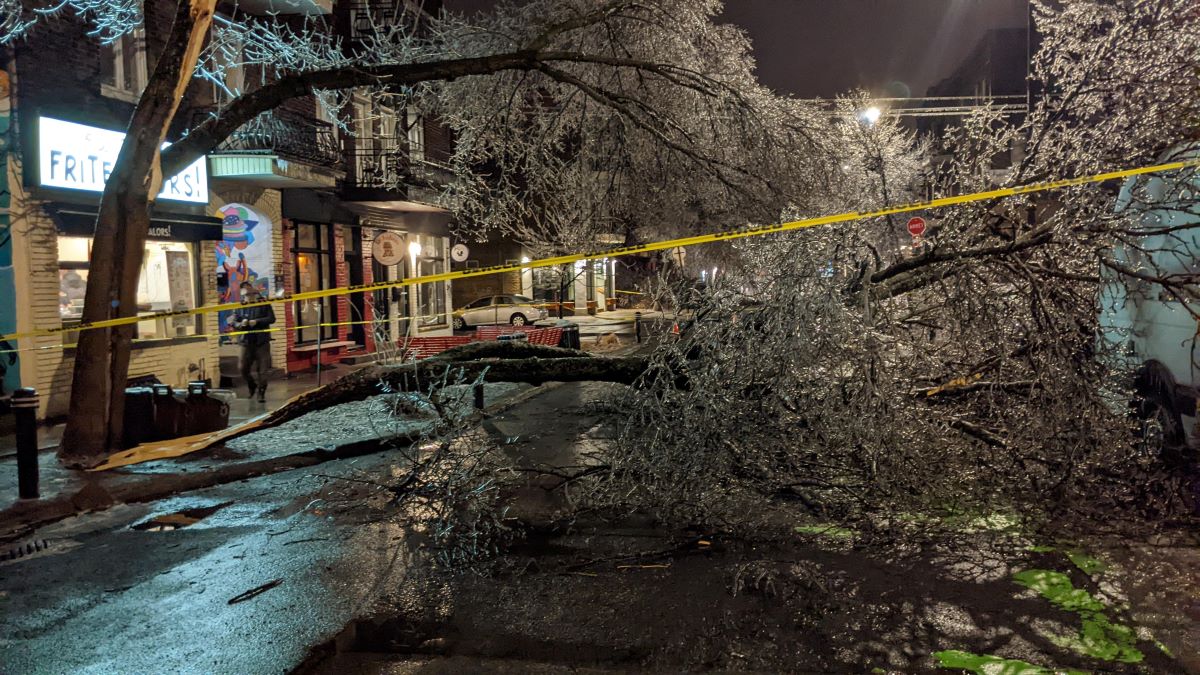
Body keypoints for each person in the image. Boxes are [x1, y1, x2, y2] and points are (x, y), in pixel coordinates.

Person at [231, 281, 276, 402]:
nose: (248, 297)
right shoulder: (239, 306)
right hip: (246, 341)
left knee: (263, 370)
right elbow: (234, 322)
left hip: (262, 342)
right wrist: (241, 324)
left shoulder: (264, 304)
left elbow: (271, 318)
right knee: (243, 368)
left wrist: (257, 321)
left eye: (250, 294)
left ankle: (261, 393)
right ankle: (252, 385)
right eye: (246, 295)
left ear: (255, 294)